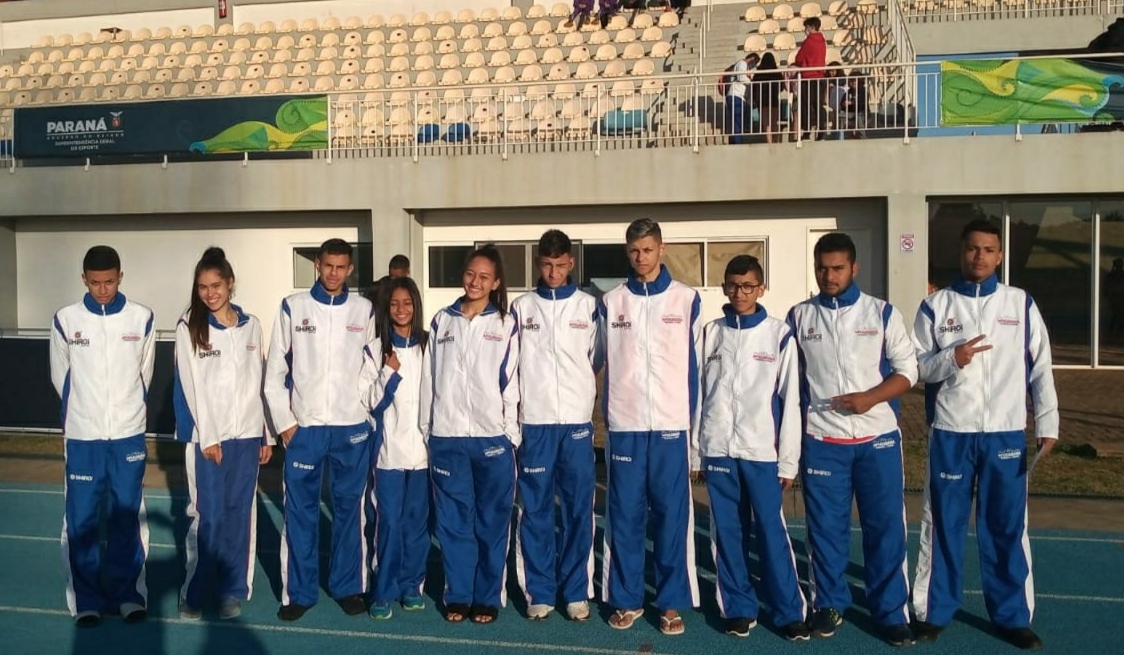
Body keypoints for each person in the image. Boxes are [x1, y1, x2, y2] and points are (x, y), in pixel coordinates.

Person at [911, 219, 1059, 651]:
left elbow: (1041, 368)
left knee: (1006, 527)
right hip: (952, 432)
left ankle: (1012, 617)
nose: (980, 256)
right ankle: (933, 611)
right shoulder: (936, 306)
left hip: (1006, 434)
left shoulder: (1021, 303)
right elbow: (916, 367)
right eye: (973, 248)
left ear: (1000, 255)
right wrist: (951, 359)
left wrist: (1047, 423)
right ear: (962, 251)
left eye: (989, 250)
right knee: (942, 526)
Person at [785, 232, 917, 647]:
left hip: (877, 439)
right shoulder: (799, 317)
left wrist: (870, 399)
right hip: (823, 441)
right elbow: (788, 382)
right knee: (825, 530)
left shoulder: (881, 313)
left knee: (885, 529)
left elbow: (908, 372)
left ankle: (890, 611)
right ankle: (829, 603)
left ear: (854, 268)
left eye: (838, 268)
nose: (829, 275)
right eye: (822, 267)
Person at [695, 255, 810, 641]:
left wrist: (788, 462)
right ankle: (739, 607)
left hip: (762, 454)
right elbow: (697, 395)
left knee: (771, 532)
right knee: (727, 533)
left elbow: (791, 400)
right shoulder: (710, 333)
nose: (740, 293)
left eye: (748, 286)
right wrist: (697, 451)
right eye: (733, 285)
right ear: (724, 287)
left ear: (761, 289)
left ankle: (788, 611)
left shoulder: (779, 335)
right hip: (718, 450)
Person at [599, 218, 701, 636]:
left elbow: (696, 370)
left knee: (672, 518)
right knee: (623, 516)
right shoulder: (611, 302)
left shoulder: (686, 300)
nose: (640, 258)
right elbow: (595, 362)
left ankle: (671, 602)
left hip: (671, 426)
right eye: (634, 251)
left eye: (647, 249)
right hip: (625, 426)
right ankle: (626, 599)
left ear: (662, 249)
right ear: (628, 252)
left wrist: (693, 435)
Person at [265, 238, 376, 622]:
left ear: (350, 269)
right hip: (305, 430)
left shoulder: (364, 309)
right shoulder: (293, 307)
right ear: (317, 263)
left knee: (350, 511)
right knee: (300, 512)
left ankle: (348, 587)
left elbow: (371, 368)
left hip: (350, 429)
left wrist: (362, 413)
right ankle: (299, 591)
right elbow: (274, 370)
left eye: (341, 267)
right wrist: (285, 424)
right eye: (328, 265)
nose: (334, 273)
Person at [50, 245, 155, 627]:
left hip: (127, 435)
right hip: (83, 438)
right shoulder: (65, 319)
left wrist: (126, 415)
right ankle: (87, 600)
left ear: (120, 277)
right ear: (84, 280)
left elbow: (144, 376)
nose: (103, 289)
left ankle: (129, 595)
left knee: (127, 516)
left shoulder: (141, 318)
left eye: (109, 281)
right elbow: (60, 378)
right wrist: (84, 417)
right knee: (81, 521)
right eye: (95, 283)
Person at [421, 244, 520, 625]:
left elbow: (511, 382)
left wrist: (509, 434)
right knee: (454, 522)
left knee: (492, 522)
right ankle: (458, 594)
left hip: (491, 438)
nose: (475, 282)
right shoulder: (442, 320)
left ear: (496, 282)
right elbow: (431, 378)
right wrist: (430, 429)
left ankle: (486, 596)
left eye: (484, 277)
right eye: (470, 274)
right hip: (448, 437)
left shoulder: (505, 323)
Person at [173, 247, 273, 621]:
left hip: (247, 437)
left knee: (238, 515)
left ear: (230, 283)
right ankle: (196, 591)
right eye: (202, 287)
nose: (210, 293)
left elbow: (257, 383)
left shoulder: (252, 326)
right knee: (208, 517)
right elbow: (191, 386)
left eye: (216, 285)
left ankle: (230, 589)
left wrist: (265, 434)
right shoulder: (189, 327)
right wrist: (209, 436)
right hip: (208, 441)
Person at [510, 230, 601, 622]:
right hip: (536, 422)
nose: (553, 272)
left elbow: (594, 359)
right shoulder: (520, 307)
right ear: (538, 263)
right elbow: (511, 365)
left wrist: (580, 398)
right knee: (536, 509)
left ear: (571, 263)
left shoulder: (588, 307)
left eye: (560, 265)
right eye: (546, 264)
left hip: (577, 425)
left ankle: (576, 591)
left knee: (580, 509)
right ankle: (541, 590)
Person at [361, 276, 432, 620]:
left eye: (407, 303)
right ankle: (383, 590)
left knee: (416, 525)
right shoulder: (375, 349)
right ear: (385, 309)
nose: (401, 309)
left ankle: (411, 586)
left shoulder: (429, 345)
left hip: (422, 454)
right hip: (388, 454)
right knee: (388, 522)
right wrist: (389, 373)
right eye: (394, 304)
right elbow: (369, 401)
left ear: (416, 307)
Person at [794, 16, 826, 138]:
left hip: (808, 77)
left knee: (806, 105)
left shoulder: (809, 41)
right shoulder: (822, 41)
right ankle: (821, 128)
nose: (805, 30)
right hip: (819, 76)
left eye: (806, 27)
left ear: (811, 27)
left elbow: (799, 58)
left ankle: (807, 131)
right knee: (818, 105)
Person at [724, 52, 758, 145]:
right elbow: (741, 77)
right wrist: (751, 81)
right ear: (752, 59)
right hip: (736, 95)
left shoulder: (742, 65)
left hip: (737, 95)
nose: (754, 65)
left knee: (736, 120)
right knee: (737, 120)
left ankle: (735, 140)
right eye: (755, 63)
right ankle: (737, 142)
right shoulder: (742, 64)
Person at [751, 52, 783, 144]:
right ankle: (776, 141)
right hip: (774, 100)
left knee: (766, 123)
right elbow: (781, 87)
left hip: (763, 100)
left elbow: (754, 86)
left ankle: (769, 143)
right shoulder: (776, 73)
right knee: (774, 123)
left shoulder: (759, 73)